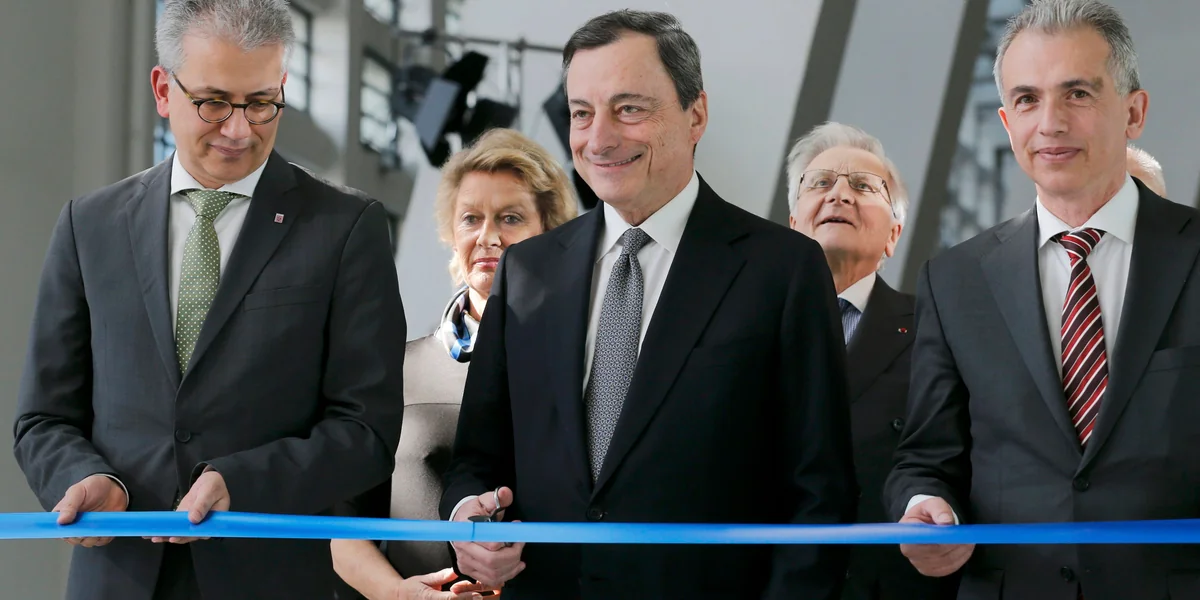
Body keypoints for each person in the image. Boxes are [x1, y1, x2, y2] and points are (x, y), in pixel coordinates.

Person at [439, 9, 856, 600]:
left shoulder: (782, 270)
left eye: (629, 108)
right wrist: (468, 523)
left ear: (696, 115)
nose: (599, 138)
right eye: (581, 113)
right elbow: (476, 459)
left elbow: (820, 491)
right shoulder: (527, 270)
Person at [12, 1, 406, 598]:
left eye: (261, 103)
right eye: (214, 103)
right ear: (162, 90)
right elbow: (43, 418)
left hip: (266, 579)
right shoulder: (88, 226)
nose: (239, 129)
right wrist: (87, 476)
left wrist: (240, 482)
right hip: (116, 575)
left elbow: (366, 431)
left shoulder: (345, 228)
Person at [885, 1, 1200, 598]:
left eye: (1077, 93)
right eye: (1027, 99)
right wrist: (924, 504)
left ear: (1134, 112)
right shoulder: (954, 280)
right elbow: (927, 456)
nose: (1050, 123)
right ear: (1007, 123)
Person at [330, 128, 578, 600]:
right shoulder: (396, 369)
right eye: (471, 219)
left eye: (510, 218)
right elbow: (342, 529)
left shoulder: (583, 371)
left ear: (550, 233)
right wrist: (401, 595)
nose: (488, 236)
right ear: (451, 234)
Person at [787, 122, 958, 600]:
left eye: (863, 186)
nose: (839, 194)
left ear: (893, 235)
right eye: (821, 182)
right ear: (793, 224)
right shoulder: (740, 324)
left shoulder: (939, 329)